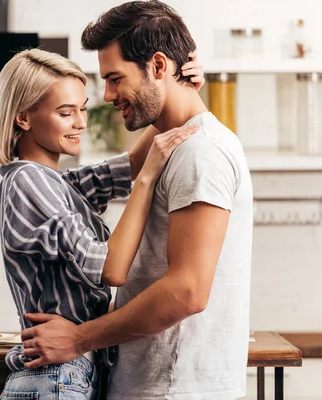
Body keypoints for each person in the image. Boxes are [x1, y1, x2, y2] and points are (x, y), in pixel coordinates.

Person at [19, 2, 254, 400]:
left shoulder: (201, 153)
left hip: (173, 389)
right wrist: (183, 91)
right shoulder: (180, 143)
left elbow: (188, 291)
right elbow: (131, 162)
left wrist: (78, 339)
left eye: (115, 79)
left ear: (158, 66)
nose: (108, 95)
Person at [0, 46, 203, 400]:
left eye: (82, 110)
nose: (81, 123)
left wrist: (179, 91)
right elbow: (110, 269)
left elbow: (129, 164)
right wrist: (148, 180)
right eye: (65, 113)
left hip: (71, 372)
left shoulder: (57, 183)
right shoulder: (28, 182)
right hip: (54, 376)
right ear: (23, 118)